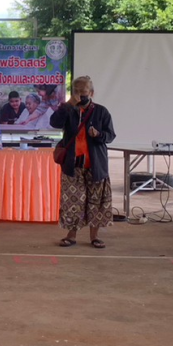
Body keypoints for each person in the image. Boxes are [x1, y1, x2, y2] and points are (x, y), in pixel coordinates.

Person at [51, 75, 116, 248]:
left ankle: (94, 237)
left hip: (96, 166)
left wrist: (99, 135)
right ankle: (71, 236)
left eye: (84, 91)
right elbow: (54, 123)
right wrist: (67, 105)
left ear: (92, 93)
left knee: (96, 201)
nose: (80, 95)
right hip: (73, 166)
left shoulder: (101, 111)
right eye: (77, 91)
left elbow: (111, 136)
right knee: (73, 201)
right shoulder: (68, 109)